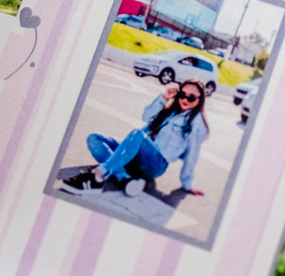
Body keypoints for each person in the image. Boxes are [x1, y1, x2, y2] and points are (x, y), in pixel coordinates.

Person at [59, 79, 210, 197]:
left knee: (137, 134)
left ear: (200, 99)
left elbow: (192, 154)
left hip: (155, 164)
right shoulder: (170, 110)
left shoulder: (197, 123)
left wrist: (187, 184)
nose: (185, 99)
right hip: (135, 154)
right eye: (182, 94)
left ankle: (98, 177)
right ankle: (125, 178)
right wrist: (164, 98)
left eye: (191, 97)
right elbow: (146, 116)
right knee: (94, 138)